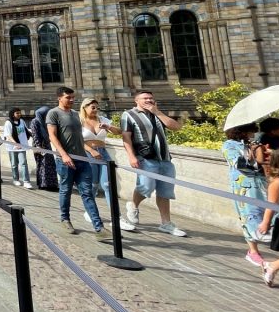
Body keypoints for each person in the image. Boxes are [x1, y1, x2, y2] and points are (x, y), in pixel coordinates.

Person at [121, 89, 186, 237]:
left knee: (165, 192)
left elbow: (176, 127)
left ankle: (166, 223)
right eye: (145, 98)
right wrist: (131, 156)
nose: (149, 100)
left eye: (151, 98)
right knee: (145, 188)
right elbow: (126, 137)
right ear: (136, 100)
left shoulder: (158, 114)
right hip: (145, 158)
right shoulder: (129, 115)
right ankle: (133, 205)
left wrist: (157, 112)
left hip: (165, 159)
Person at [47, 86, 105, 236]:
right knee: (65, 191)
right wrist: (64, 155)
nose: (72, 100)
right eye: (68, 98)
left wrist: (89, 151)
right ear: (59, 98)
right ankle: (65, 219)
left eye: (73, 97)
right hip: (65, 160)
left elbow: (80, 137)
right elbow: (52, 136)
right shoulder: (53, 113)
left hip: (82, 159)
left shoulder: (75, 114)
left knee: (87, 193)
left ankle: (99, 227)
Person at [80, 97, 134, 232]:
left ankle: (117, 217)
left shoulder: (102, 119)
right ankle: (89, 211)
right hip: (87, 154)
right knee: (93, 184)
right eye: (93, 107)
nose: (95, 110)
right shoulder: (79, 121)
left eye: (97, 107)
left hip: (103, 153)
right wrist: (91, 151)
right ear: (85, 107)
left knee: (108, 185)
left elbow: (119, 132)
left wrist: (108, 126)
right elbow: (77, 140)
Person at [223, 123, 269, 266]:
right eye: (250, 131)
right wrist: (252, 154)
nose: (252, 134)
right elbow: (239, 164)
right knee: (249, 216)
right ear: (241, 131)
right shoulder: (229, 145)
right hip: (244, 187)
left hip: (262, 184)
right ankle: (253, 251)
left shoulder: (254, 143)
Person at [257, 148, 279, 287]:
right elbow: (271, 204)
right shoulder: (278, 183)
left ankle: (271, 266)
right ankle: (272, 266)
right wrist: (265, 222)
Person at [2, 108, 32, 188]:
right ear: (13, 114)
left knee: (23, 163)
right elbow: (8, 135)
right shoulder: (8, 123)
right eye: (17, 113)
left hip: (22, 146)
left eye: (19, 113)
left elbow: (26, 130)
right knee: (14, 164)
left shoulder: (21, 121)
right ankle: (16, 179)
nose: (19, 114)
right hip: (12, 147)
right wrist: (15, 143)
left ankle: (26, 181)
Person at [29, 106, 58, 190]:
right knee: (42, 165)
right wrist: (39, 147)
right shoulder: (35, 121)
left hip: (46, 145)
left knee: (50, 165)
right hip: (40, 146)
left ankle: (51, 184)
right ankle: (44, 184)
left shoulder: (45, 122)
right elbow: (35, 135)